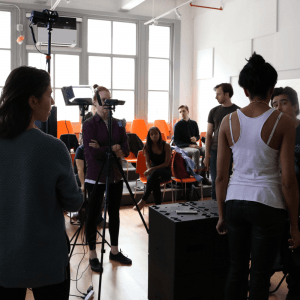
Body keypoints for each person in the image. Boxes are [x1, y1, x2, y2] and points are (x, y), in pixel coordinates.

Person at [215, 53, 300, 300]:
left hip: (235, 203)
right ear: (271, 88)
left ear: (244, 90)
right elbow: (288, 180)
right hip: (268, 204)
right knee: (261, 276)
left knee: (236, 270)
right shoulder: (284, 122)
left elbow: (221, 177)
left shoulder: (227, 121)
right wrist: (295, 225)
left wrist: (222, 215)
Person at [0, 66, 83, 299]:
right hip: (47, 258)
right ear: (33, 101)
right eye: (49, 93)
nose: (53, 100)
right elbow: (74, 202)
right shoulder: (53, 147)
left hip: (5, 257)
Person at [82, 85, 132, 273]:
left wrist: (106, 146)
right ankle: (93, 255)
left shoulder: (118, 123)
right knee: (93, 215)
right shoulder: (89, 125)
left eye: (109, 100)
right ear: (95, 101)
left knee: (115, 213)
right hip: (95, 176)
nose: (107, 104)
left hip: (115, 176)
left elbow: (126, 150)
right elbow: (93, 153)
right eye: (103, 100)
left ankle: (114, 250)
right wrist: (113, 147)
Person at [271, 86, 300, 300]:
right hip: (278, 203)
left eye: (283, 103)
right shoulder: (274, 133)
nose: (278, 108)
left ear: (295, 107)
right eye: (274, 104)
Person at [203, 83, 240, 200]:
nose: (216, 97)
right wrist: (206, 156)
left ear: (227, 94)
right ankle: (215, 210)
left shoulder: (238, 111)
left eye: (218, 94)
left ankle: (228, 210)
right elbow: (209, 135)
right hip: (215, 151)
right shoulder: (213, 111)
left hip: (233, 151)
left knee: (231, 181)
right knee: (216, 181)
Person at [133, 127, 172, 210]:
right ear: (149, 136)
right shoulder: (147, 146)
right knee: (155, 179)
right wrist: (149, 169)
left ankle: (143, 200)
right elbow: (147, 162)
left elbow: (166, 164)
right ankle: (159, 207)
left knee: (154, 174)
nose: (154, 136)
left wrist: (151, 170)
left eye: (156, 134)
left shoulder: (166, 145)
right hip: (153, 172)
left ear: (159, 135)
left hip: (165, 171)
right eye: (152, 134)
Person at [174, 105, 211, 185]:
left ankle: (203, 176)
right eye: (180, 112)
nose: (182, 113)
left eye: (183, 111)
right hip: (183, 147)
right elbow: (177, 142)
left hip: (193, 146)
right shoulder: (177, 125)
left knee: (206, 150)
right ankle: (196, 178)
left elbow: (198, 136)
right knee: (196, 152)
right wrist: (190, 145)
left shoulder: (194, 123)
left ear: (188, 111)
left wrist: (196, 138)